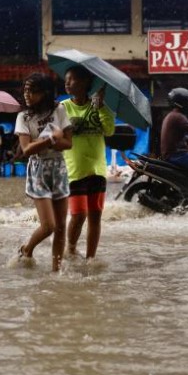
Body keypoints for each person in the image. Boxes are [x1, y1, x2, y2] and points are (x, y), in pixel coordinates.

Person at [14, 73, 73, 272]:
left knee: (61, 226)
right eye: (25, 90)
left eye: (33, 91)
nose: (27, 95)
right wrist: (50, 139)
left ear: (45, 92)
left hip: (59, 169)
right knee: (49, 226)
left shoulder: (59, 109)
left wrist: (57, 140)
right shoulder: (23, 117)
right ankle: (26, 249)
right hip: (38, 169)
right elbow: (26, 149)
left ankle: (56, 270)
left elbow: (68, 143)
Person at [61, 65, 115, 260]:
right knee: (78, 215)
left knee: (95, 215)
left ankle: (91, 258)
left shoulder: (102, 107)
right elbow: (57, 132)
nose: (67, 83)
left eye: (72, 79)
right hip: (74, 170)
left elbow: (109, 130)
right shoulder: (63, 107)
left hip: (98, 169)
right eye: (66, 79)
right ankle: (71, 249)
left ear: (84, 83)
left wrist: (100, 107)